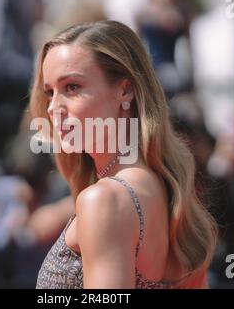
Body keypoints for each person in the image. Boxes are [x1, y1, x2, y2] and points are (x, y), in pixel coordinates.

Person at [29, 20, 217, 289]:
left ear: (125, 90)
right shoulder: (167, 192)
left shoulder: (105, 199)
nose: (53, 108)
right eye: (49, 92)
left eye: (72, 87)